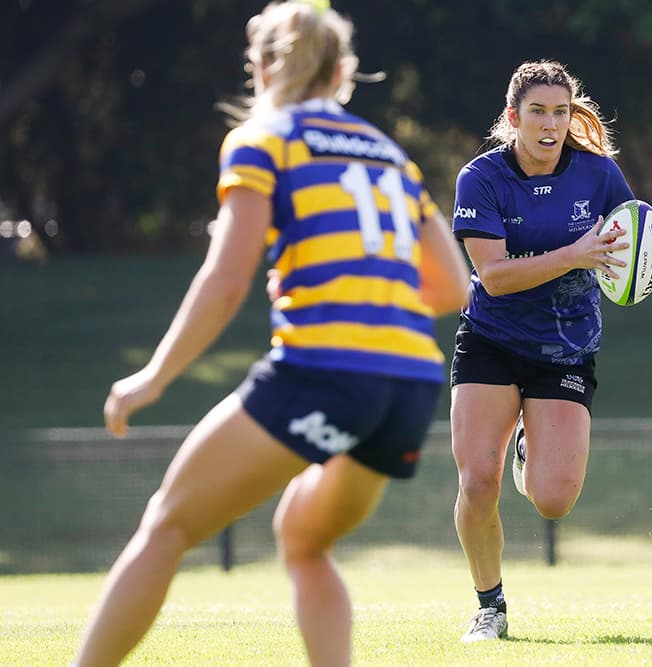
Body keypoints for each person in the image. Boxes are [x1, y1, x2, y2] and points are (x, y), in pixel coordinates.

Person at [72, 2, 469, 665]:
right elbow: (451, 287)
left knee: (168, 523)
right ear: (342, 73)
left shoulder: (265, 140)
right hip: (409, 384)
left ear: (261, 68)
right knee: (304, 539)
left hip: (326, 370)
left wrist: (152, 377)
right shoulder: (389, 153)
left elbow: (225, 281)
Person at [449, 60, 652, 642]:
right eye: (538, 111)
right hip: (491, 340)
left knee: (552, 501)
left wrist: (648, 259)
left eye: (561, 112)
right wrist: (575, 254)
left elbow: (629, 240)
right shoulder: (482, 178)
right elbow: (493, 276)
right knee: (477, 481)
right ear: (512, 117)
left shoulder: (598, 175)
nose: (550, 124)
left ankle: (529, 446)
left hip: (567, 348)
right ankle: (489, 607)